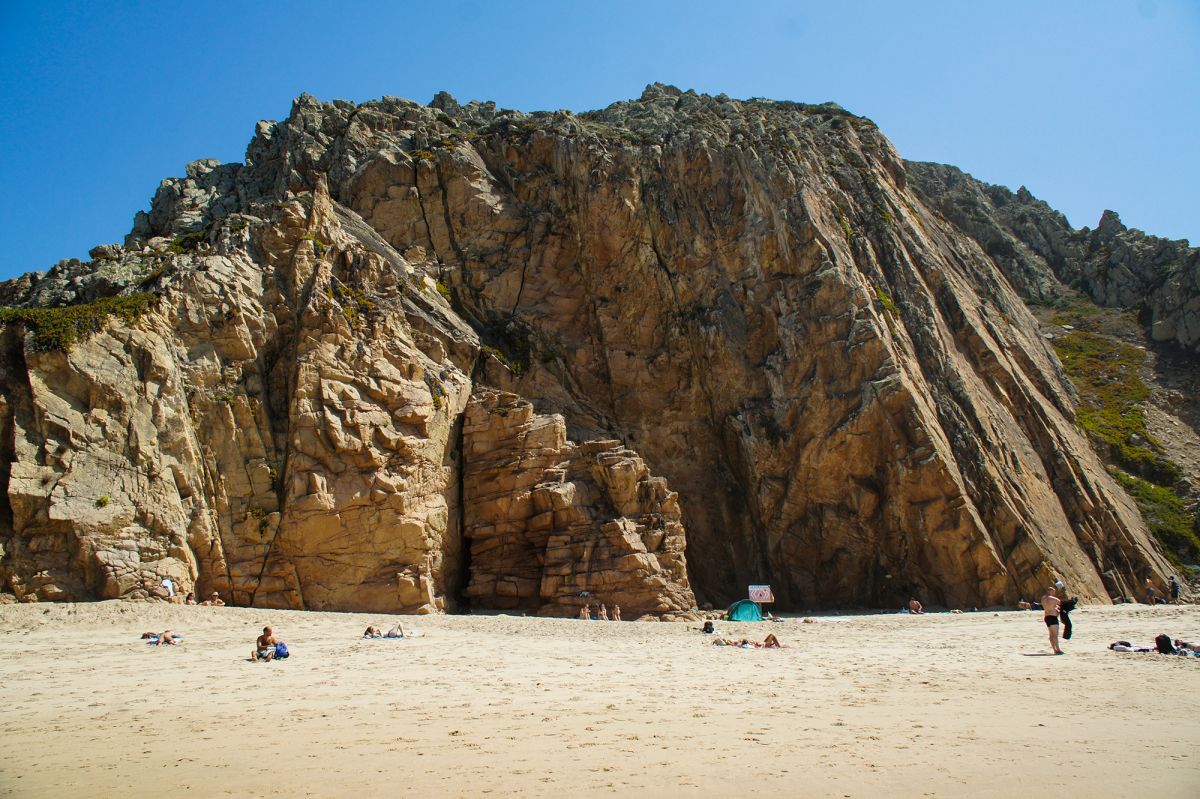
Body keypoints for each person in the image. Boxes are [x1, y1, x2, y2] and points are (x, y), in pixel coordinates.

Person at [1041, 587, 1063, 654]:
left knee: (1051, 634)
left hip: (1047, 617)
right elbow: (1062, 604)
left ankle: (1054, 649)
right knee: (1055, 635)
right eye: (1053, 592)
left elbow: (1048, 606)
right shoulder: (1054, 599)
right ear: (1051, 591)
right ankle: (1058, 649)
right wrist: (1057, 609)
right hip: (1053, 617)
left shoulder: (1043, 598)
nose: (1054, 593)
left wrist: (1055, 607)